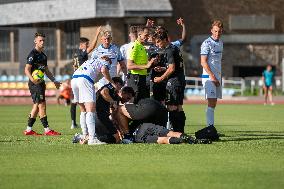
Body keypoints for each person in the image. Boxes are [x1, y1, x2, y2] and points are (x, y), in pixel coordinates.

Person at [71, 54, 118, 145]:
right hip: (85, 79)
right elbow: (104, 70)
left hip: (74, 79)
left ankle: (85, 135)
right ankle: (92, 138)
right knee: (90, 110)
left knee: (83, 110)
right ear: (107, 59)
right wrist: (112, 82)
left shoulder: (89, 61)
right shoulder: (105, 61)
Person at [73, 78, 135, 144]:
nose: (127, 100)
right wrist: (112, 102)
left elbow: (113, 116)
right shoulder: (111, 86)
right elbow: (104, 92)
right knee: (116, 139)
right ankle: (88, 137)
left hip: (101, 117)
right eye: (128, 98)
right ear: (117, 84)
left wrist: (118, 130)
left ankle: (84, 137)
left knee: (117, 139)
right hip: (99, 116)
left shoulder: (115, 97)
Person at [23, 32, 61, 136]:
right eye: (40, 40)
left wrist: (54, 80)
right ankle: (47, 130)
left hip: (41, 83)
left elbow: (46, 71)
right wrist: (33, 80)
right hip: (35, 84)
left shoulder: (43, 56)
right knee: (42, 105)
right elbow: (26, 69)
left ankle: (28, 130)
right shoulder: (32, 54)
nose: (42, 42)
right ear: (35, 41)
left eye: (43, 40)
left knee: (36, 106)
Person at [153, 30, 186, 133]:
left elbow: (171, 69)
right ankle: (181, 132)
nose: (157, 44)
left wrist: (160, 78)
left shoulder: (169, 50)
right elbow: (174, 67)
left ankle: (176, 133)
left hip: (174, 82)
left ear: (164, 40)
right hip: (180, 79)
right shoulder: (174, 47)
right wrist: (163, 69)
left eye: (158, 42)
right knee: (179, 107)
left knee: (171, 107)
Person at [70, 27, 101, 129]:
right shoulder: (82, 52)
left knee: (77, 103)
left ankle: (74, 123)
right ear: (82, 44)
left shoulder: (75, 54)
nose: (87, 46)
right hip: (83, 79)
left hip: (75, 78)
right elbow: (92, 47)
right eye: (86, 44)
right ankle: (90, 129)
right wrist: (96, 34)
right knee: (88, 105)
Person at [200, 20, 223, 130]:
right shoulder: (206, 43)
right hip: (208, 77)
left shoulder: (221, 42)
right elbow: (203, 62)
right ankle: (210, 128)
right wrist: (212, 77)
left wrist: (218, 76)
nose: (217, 33)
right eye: (215, 31)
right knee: (211, 100)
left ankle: (211, 126)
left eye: (219, 31)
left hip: (217, 76)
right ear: (211, 30)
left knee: (214, 103)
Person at [126, 26, 157, 103]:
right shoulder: (135, 46)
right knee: (134, 104)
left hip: (142, 78)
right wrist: (146, 66)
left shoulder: (141, 46)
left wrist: (152, 63)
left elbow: (144, 64)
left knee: (143, 104)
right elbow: (129, 66)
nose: (147, 37)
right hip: (135, 78)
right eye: (145, 35)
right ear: (139, 35)